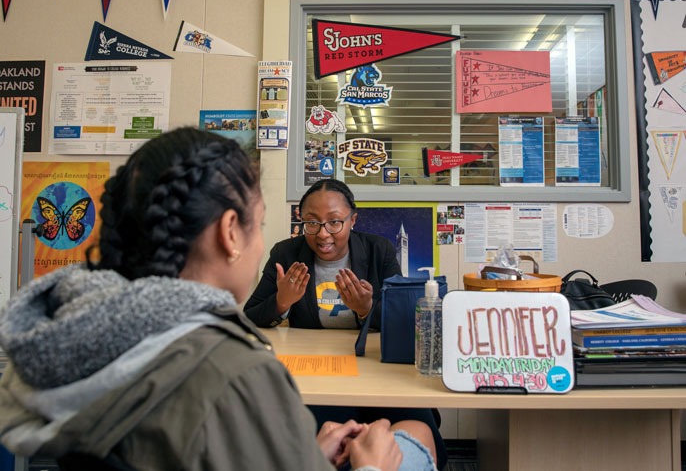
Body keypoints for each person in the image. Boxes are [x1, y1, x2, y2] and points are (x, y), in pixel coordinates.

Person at [0, 128, 437, 471]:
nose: (321, 234)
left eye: (334, 223)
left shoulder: (61, 341)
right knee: (414, 432)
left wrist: (301, 456)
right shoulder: (236, 375)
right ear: (230, 232)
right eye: (260, 222)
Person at [244, 179, 447, 470]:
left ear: (353, 219)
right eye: (311, 223)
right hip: (315, 368)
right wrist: (281, 302)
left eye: (334, 222)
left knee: (420, 428)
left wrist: (367, 309)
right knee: (314, 427)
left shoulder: (380, 251)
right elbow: (250, 317)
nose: (323, 234)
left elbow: (402, 320)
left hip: (377, 369)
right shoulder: (285, 254)